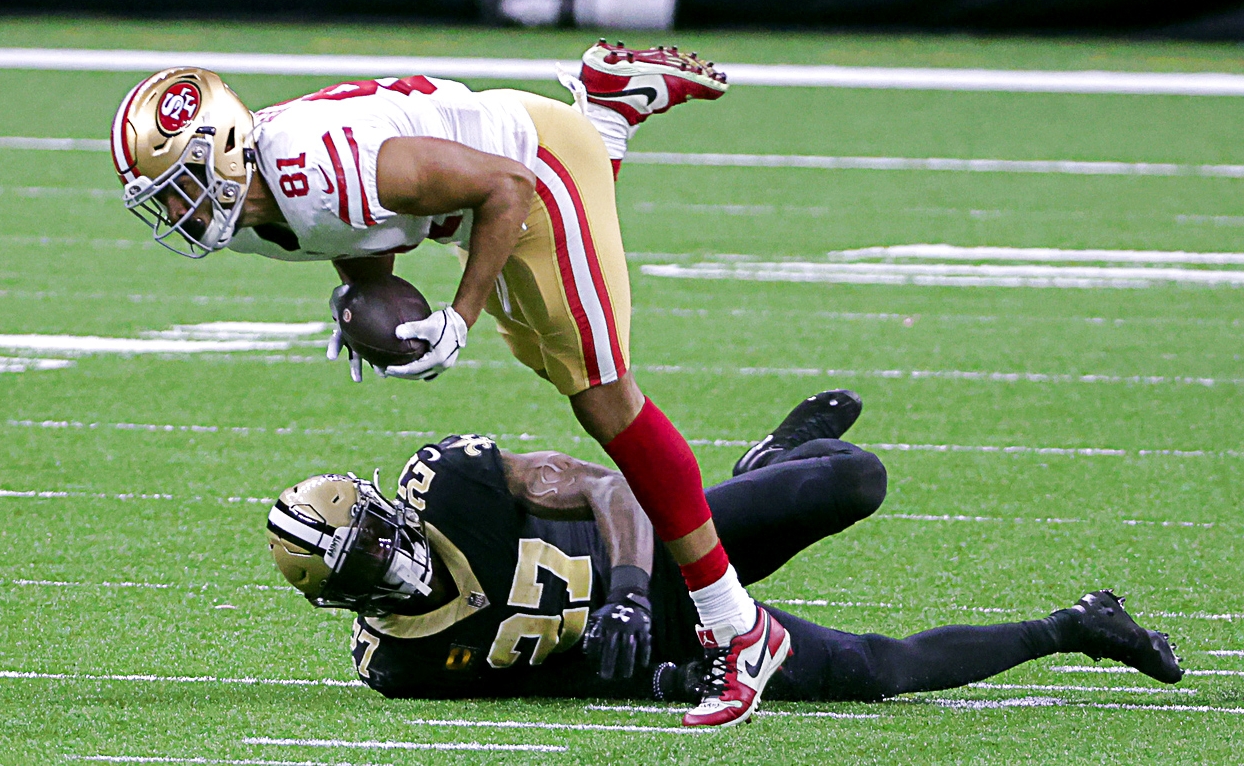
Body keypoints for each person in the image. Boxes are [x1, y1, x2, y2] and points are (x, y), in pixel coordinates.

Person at [112, 40, 777, 725]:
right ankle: (607, 107)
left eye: (183, 186)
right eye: (163, 200)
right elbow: (358, 226)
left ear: (225, 152)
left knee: (603, 396)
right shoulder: (259, 207)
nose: (180, 213)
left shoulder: (316, 171)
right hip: (473, 192)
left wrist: (458, 319)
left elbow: (504, 186)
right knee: (546, 352)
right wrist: (364, 294)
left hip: (533, 165)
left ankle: (737, 629)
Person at [264, 390, 1183, 720]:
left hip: (661, 554)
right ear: (339, 597)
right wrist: (645, 674)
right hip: (656, 644)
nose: (388, 563)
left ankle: (773, 462)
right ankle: (1076, 627)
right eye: (362, 570)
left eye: (378, 540)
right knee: (872, 675)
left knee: (855, 478)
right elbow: (532, 686)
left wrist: (626, 591)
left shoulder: (452, 486)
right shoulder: (399, 662)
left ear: (388, 509)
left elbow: (611, 484)